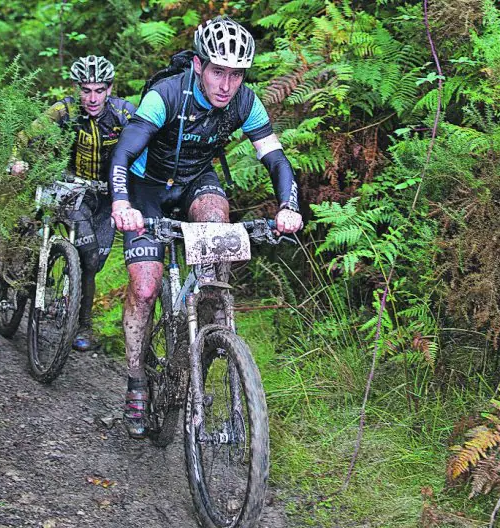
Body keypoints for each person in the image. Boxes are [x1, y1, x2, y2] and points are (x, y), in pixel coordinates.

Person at [108, 16, 303, 439]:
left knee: (217, 221)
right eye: (218, 71)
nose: (226, 84)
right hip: (147, 186)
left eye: (236, 74)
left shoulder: (246, 102)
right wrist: (122, 203)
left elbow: (275, 159)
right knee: (144, 287)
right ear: (199, 65)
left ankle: (208, 318)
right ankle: (137, 379)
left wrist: (290, 206)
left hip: (197, 180)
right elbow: (123, 154)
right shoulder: (166, 95)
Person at [9, 55, 136, 351]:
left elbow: (148, 138)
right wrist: (16, 159)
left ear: (110, 88)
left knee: (93, 263)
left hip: (108, 195)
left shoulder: (123, 112)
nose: (92, 98)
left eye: (99, 90)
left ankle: (83, 323)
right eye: (86, 90)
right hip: (72, 189)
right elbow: (25, 135)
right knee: (85, 251)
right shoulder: (63, 110)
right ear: (77, 88)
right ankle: (77, 317)